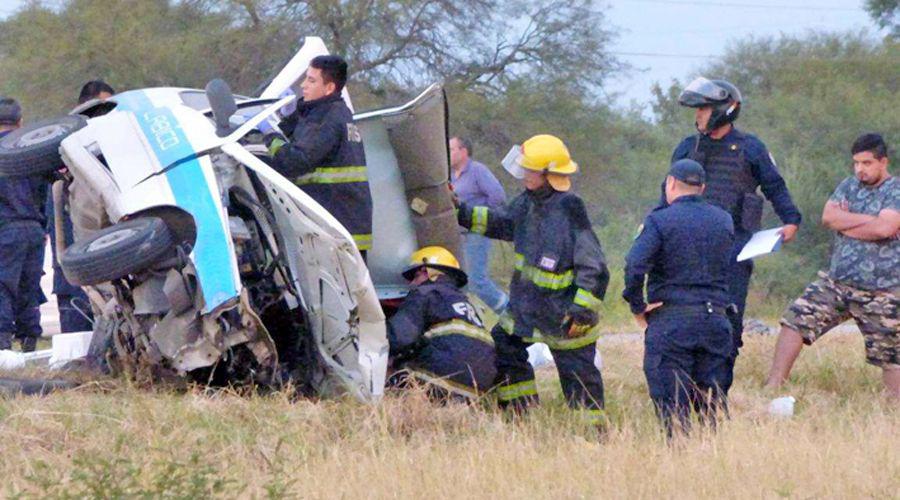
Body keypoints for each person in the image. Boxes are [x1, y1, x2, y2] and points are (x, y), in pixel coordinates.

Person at [457, 134, 609, 425]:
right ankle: (520, 413)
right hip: (527, 308)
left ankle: (594, 437)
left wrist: (582, 311)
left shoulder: (570, 209)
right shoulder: (527, 203)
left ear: (548, 174)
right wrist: (460, 212)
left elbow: (595, 267)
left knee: (579, 378)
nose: (525, 175)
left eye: (530, 170)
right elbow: (501, 222)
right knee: (503, 347)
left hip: (564, 315)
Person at [669, 77, 802, 390]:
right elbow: (668, 193)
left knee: (727, 319)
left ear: (723, 110)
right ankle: (684, 387)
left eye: (703, 109)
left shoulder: (750, 147)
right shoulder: (688, 147)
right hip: (687, 247)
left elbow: (775, 186)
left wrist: (791, 220)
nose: (698, 115)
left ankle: (717, 391)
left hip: (734, 248)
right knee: (685, 317)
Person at [766, 133, 899, 400]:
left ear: (883, 162)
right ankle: (773, 385)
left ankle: (893, 406)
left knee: (891, 354)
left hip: (882, 290)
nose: (860, 169)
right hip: (837, 282)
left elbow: (886, 227)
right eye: (856, 163)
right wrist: (868, 222)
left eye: (867, 163)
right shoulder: (849, 186)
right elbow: (829, 217)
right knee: (796, 319)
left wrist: (849, 223)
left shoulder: (894, 191)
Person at [624, 159, 735, 435]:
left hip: (673, 323)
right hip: (717, 322)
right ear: (702, 188)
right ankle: (716, 461)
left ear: (670, 183)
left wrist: (638, 306)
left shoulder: (659, 221)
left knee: (673, 408)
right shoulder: (724, 220)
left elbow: (634, 266)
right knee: (713, 408)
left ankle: (680, 462)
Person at [266, 55, 373, 256]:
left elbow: (295, 161)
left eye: (311, 80)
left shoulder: (328, 119)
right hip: (344, 225)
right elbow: (303, 135)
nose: (303, 85)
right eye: (305, 78)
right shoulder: (333, 113)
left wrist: (269, 137)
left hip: (335, 230)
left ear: (329, 88)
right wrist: (287, 115)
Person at [46, 80, 116, 334]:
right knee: (71, 284)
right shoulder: (65, 139)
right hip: (68, 218)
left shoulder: (112, 139)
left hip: (98, 225)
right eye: (100, 106)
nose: (105, 113)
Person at [387, 246, 497, 400]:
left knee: (385, 386)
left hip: (439, 380)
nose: (411, 284)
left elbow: (399, 338)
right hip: (478, 390)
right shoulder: (468, 304)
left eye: (415, 277)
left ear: (426, 272)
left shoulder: (424, 293)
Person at [0, 98, 51, 351]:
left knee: (3, 286)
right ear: (21, 122)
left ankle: (2, 346)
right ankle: (30, 343)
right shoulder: (32, 153)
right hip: (35, 230)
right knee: (29, 287)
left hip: (5, 229)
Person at [449, 136, 508, 313]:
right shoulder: (449, 175)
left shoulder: (477, 171)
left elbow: (498, 197)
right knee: (459, 281)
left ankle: (510, 313)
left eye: (451, 150)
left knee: (476, 281)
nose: (448, 154)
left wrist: (483, 218)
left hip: (476, 233)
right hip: (458, 235)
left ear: (463, 151)